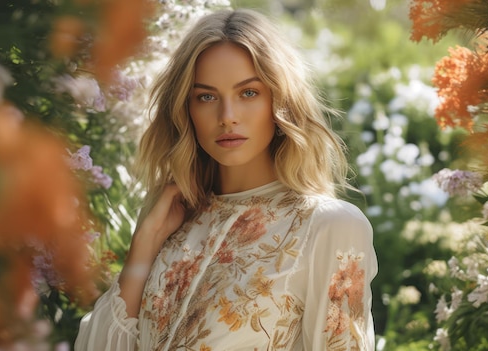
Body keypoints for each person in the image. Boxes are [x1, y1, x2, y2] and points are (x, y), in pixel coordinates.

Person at [75, 8, 377, 351]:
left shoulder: (327, 226)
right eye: (206, 97)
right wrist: (145, 244)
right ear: (186, 110)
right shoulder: (171, 216)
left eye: (248, 93)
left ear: (279, 101)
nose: (227, 117)